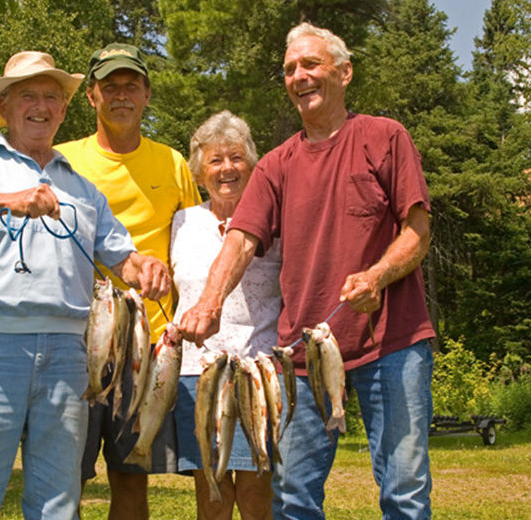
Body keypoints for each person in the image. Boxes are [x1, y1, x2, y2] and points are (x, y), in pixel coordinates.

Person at [179, 23, 435, 520]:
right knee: (293, 495)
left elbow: (418, 231)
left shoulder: (384, 137)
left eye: (311, 64)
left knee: (403, 490)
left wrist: (377, 276)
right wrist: (209, 304)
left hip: (393, 344)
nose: (299, 76)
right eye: (291, 69)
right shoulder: (275, 165)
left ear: (344, 72)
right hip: (301, 356)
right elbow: (241, 240)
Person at [0, 51, 171, 520]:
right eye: (28, 95)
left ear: (63, 108)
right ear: (6, 108)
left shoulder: (83, 188)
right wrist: (6, 201)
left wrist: (146, 266)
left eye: (51, 96)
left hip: (69, 355)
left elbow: (122, 258)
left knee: (58, 502)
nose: (41, 105)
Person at [170, 110, 281, 520]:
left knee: (255, 495)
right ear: (200, 173)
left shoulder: (275, 223)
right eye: (215, 160)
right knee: (211, 495)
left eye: (236, 158)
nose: (226, 168)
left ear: (253, 166)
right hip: (195, 373)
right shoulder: (182, 222)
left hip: (258, 369)